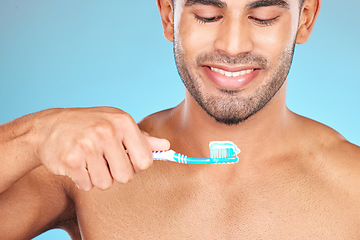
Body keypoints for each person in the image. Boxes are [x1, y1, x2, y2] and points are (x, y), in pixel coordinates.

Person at [1, 0, 359, 239]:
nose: (233, 46)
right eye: (206, 13)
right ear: (169, 16)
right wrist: (35, 135)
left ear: (305, 19)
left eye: (262, 17)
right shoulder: (89, 168)